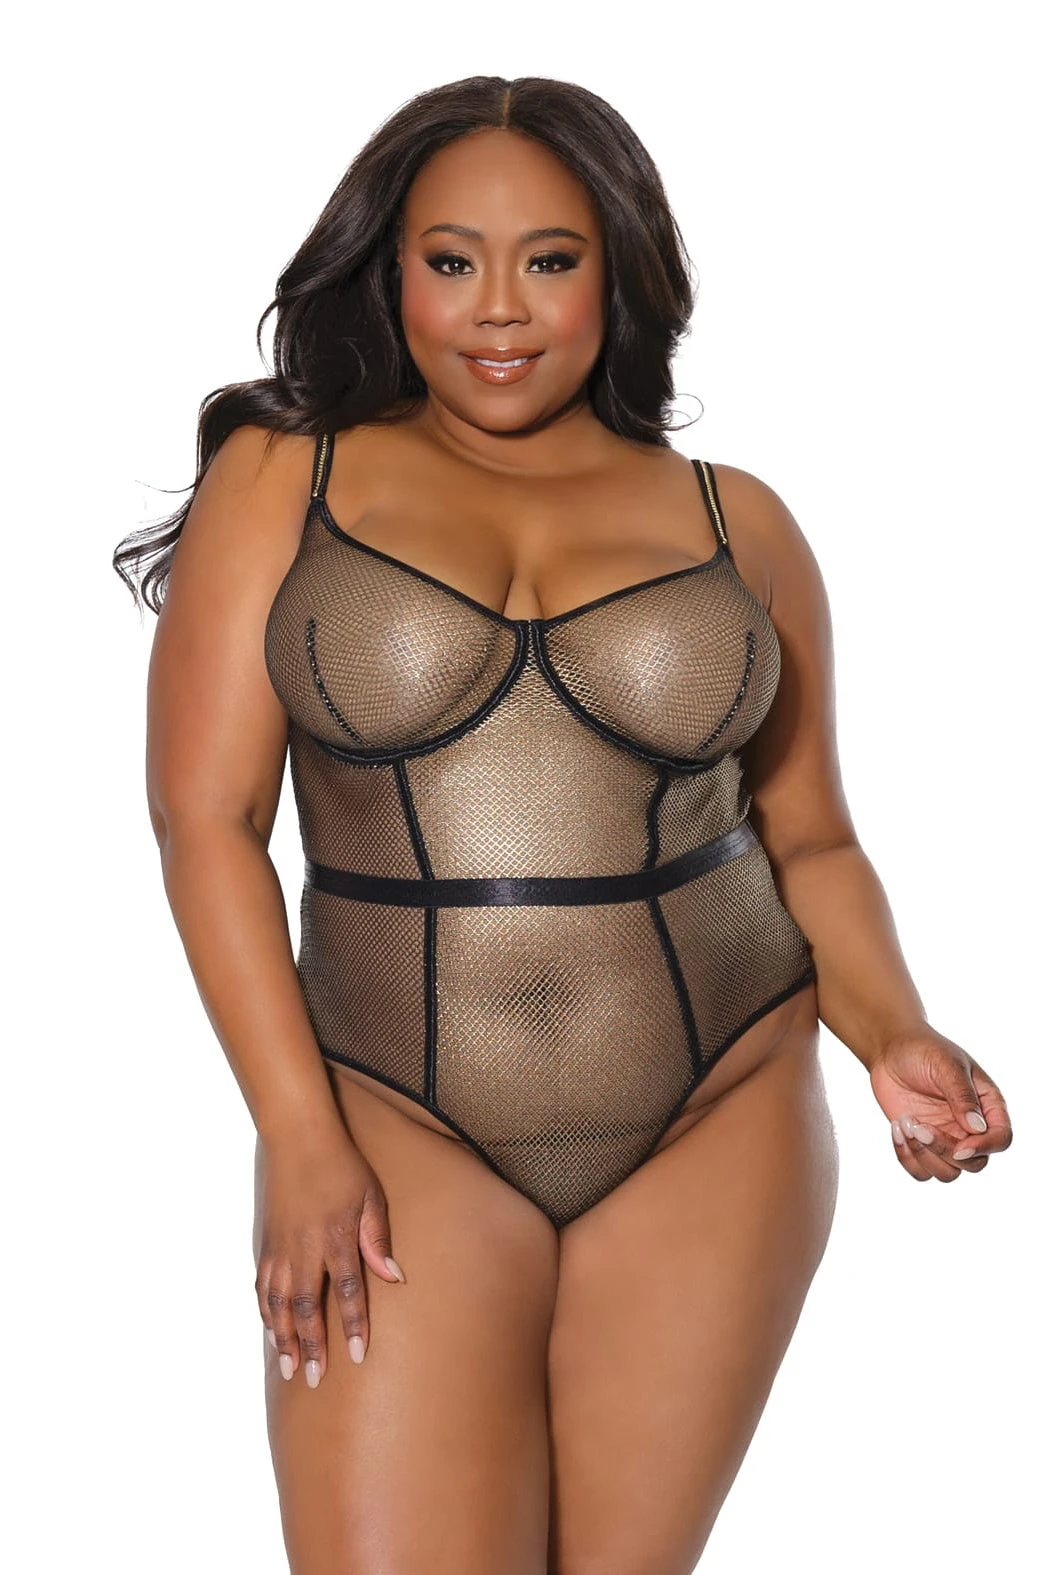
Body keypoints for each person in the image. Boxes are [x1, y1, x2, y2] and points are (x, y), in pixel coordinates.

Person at [113, 75, 1013, 1575]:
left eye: (549, 259)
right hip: (391, 1104)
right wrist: (298, 1134)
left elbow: (809, 844)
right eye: (450, 259)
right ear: (390, 270)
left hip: (717, 1102)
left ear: (621, 273)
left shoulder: (737, 521)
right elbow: (204, 819)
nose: (497, 309)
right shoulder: (285, 478)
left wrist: (894, 1033)